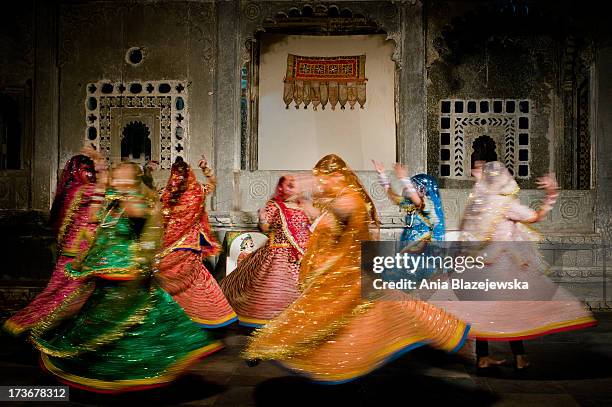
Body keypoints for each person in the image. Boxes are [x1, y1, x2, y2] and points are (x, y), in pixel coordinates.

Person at [243, 155, 469, 383]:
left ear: (338, 177)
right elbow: (334, 217)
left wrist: (403, 179)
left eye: (323, 178)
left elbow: (348, 210)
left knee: (394, 307)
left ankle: (440, 333)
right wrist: (305, 200)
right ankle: (275, 349)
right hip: (340, 276)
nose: (319, 183)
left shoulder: (355, 200)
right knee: (333, 318)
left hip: (394, 264)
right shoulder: (335, 201)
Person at [30, 162, 222, 393]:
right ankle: (107, 368)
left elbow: (141, 213)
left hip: (129, 273)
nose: (119, 183)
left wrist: (128, 195)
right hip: (107, 271)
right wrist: (103, 187)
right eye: (116, 178)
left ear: (135, 181)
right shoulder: (112, 200)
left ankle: (142, 367)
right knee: (99, 321)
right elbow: (94, 218)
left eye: (124, 179)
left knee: (142, 321)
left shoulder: (139, 201)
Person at [432, 161, 597, 369]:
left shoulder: (477, 202)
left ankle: (483, 357)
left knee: (480, 311)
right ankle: (520, 357)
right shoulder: (505, 203)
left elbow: (465, 233)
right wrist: (551, 194)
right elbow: (535, 217)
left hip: (477, 266)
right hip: (504, 267)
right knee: (511, 312)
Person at [3, 150, 101, 336]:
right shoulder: (83, 190)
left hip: (72, 252)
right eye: (89, 170)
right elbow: (106, 193)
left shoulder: (70, 190)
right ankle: (31, 329)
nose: (92, 174)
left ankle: (22, 325)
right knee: (63, 296)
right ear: (81, 172)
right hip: (79, 255)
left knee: (56, 292)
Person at [221, 175, 313, 327]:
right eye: (288, 184)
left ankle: (296, 322)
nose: (293, 186)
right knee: (275, 290)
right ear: (281, 188)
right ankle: (269, 322)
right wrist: (262, 219)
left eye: (294, 184)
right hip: (278, 255)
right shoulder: (274, 205)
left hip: (302, 255)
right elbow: (265, 228)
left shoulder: (304, 206)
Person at [156, 156, 236, 328]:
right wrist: (207, 170)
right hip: (190, 246)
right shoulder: (198, 190)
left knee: (165, 281)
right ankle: (210, 315)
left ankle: (174, 317)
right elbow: (213, 184)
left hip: (167, 247)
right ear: (190, 173)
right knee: (198, 280)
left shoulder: (164, 193)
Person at [373, 160, 445, 244]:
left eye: (414, 186)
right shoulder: (411, 205)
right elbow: (392, 196)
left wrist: (403, 178)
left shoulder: (429, 205)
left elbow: (418, 201)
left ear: (423, 190)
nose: (409, 189)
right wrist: (382, 175)